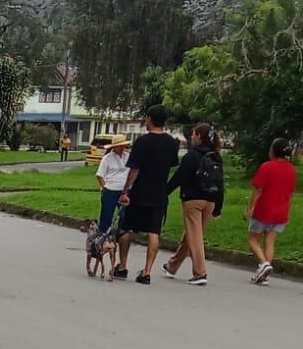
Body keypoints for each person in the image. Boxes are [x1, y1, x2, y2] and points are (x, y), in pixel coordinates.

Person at [114, 104, 180, 285]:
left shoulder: (142, 142)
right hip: (159, 193)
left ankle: (122, 266)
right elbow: (170, 165)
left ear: (149, 118)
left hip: (139, 193)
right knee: (154, 231)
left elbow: (134, 170)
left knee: (127, 228)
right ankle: (147, 271)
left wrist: (125, 191)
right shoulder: (171, 143)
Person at [161, 122, 225, 286]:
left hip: (193, 200)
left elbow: (179, 177)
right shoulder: (215, 156)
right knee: (192, 234)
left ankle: (199, 272)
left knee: (195, 236)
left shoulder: (192, 156)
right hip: (210, 200)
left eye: (193, 134)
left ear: (198, 136)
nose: (191, 136)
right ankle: (172, 266)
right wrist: (218, 207)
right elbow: (220, 183)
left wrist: (164, 192)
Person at [246, 138, 297, 284]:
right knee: (270, 242)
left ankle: (263, 264)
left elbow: (258, 189)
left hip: (264, 209)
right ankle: (264, 274)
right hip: (281, 210)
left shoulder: (266, 167)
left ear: (273, 151)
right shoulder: (291, 169)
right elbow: (290, 193)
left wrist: (250, 208)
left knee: (253, 239)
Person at [96, 134, 130, 234]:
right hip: (110, 190)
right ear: (114, 147)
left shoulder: (128, 156)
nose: (122, 148)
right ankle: (103, 235)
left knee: (125, 215)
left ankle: (121, 235)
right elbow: (100, 175)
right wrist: (105, 188)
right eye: (119, 146)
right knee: (107, 215)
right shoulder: (107, 158)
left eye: (123, 146)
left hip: (125, 190)